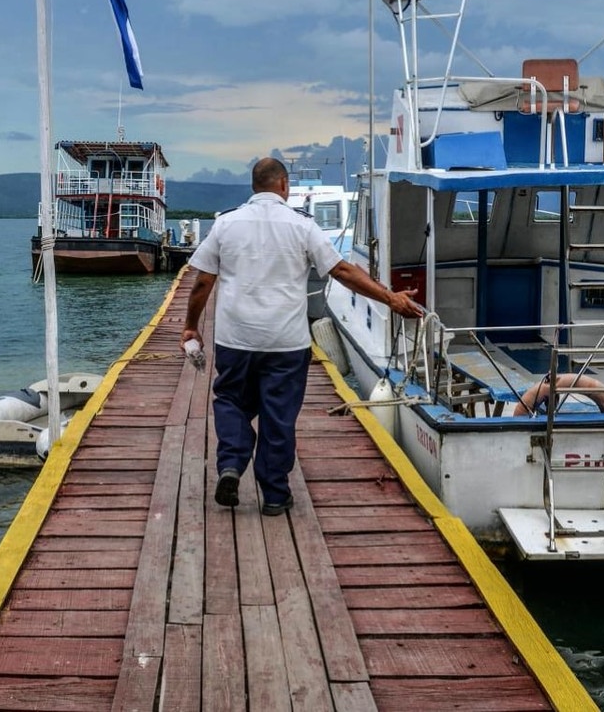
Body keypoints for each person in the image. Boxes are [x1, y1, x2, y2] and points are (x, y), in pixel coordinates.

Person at [181, 157, 423, 515]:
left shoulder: (225, 225)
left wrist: (191, 326)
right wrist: (390, 298)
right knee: (278, 415)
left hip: (236, 339)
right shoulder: (303, 227)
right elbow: (341, 270)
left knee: (231, 401)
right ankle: (276, 495)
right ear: (283, 185)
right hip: (286, 343)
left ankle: (231, 465)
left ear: (253, 187)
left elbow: (203, 282)